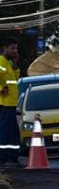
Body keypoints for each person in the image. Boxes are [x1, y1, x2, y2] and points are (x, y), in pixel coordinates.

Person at [0, 39, 21, 167]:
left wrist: (15, 64)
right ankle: (3, 159)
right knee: (5, 132)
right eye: (12, 48)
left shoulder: (8, 63)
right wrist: (2, 88)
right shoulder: (1, 61)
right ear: (5, 48)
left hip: (11, 103)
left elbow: (15, 78)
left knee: (12, 132)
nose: (15, 51)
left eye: (16, 49)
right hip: (4, 103)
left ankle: (13, 158)